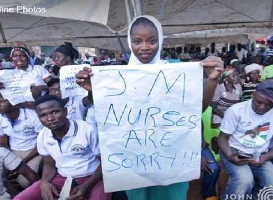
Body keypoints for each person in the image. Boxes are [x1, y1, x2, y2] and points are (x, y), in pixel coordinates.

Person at [75, 15, 224, 200]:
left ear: (160, 41)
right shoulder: (116, 77)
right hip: (135, 159)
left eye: (151, 41)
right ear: (130, 42)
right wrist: (94, 90)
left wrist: (212, 80)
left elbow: (197, 109)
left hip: (171, 157)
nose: (144, 47)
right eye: (137, 41)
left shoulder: (177, 71)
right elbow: (113, 116)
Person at [14, 95, 111, 200]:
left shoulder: (87, 130)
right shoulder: (43, 135)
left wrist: (87, 185)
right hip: (63, 177)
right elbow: (49, 164)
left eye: (55, 112)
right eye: (43, 115)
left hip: (94, 177)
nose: (50, 119)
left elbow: (106, 162)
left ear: (65, 111)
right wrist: (45, 183)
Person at [218, 79, 273, 199]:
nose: (262, 107)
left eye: (269, 105)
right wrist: (230, 155)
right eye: (258, 102)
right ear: (253, 94)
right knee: (244, 180)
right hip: (234, 150)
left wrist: (265, 157)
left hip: (259, 154)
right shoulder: (236, 110)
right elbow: (223, 138)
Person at [0, 92, 43, 188]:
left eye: (1, 101)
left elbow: (42, 143)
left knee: (25, 182)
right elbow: (2, 144)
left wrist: (21, 161)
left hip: (34, 151)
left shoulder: (32, 115)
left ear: (13, 101)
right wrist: (9, 160)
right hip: (13, 151)